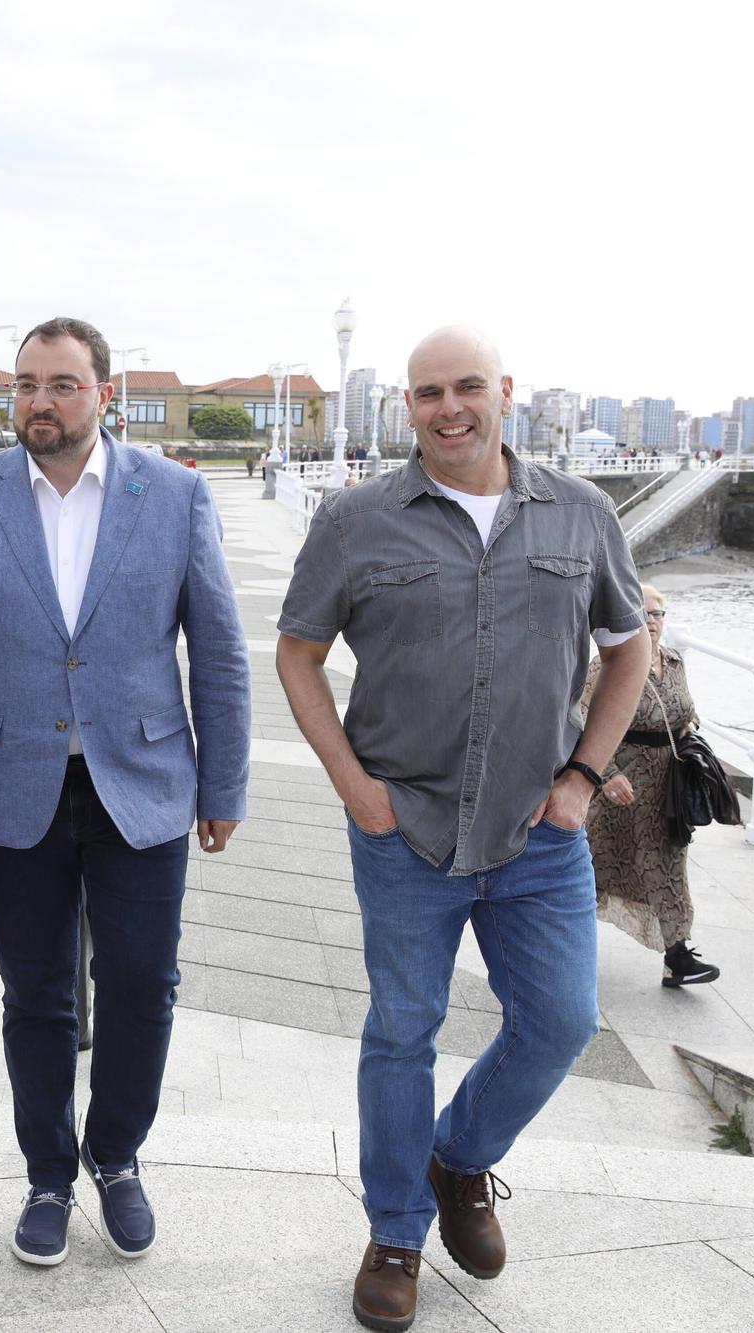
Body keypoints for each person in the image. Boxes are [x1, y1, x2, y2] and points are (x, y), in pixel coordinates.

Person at [275, 326, 651, 1332]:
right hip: (405, 828)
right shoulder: (356, 520)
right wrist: (355, 788)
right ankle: (394, 1231)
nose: (449, 407)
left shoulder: (577, 514)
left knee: (562, 1020)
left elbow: (627, 650)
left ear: (504, 393)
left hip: (539, 832)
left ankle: (459, 1158)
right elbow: (297, 656)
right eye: (428, 391)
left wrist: (582, 777)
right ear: (407, 406)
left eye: (467, 387)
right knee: (402, 1030)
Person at [0, 316, 251, 1269]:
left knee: (144, 986)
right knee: (38, 994)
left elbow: (216, 649)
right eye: (25, 384)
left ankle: (118, 1156)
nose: (38, 401)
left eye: (60, 383)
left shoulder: (173, 495)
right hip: (10, 788)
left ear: (104, 395)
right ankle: (49, 1172)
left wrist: (224, 780)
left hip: (144, 781)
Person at [583, 583, 720, 987]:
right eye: (642, 613)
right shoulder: (605, 666)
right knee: (597, 867)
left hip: (666, 784)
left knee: (669, 865)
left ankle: (677, 956)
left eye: (658, 614)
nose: (651, 621)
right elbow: (582, 720)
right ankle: (563, 947)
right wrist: (605, 775)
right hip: (619, 782)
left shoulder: (674, 663)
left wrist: (691, 739)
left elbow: (687, 713)